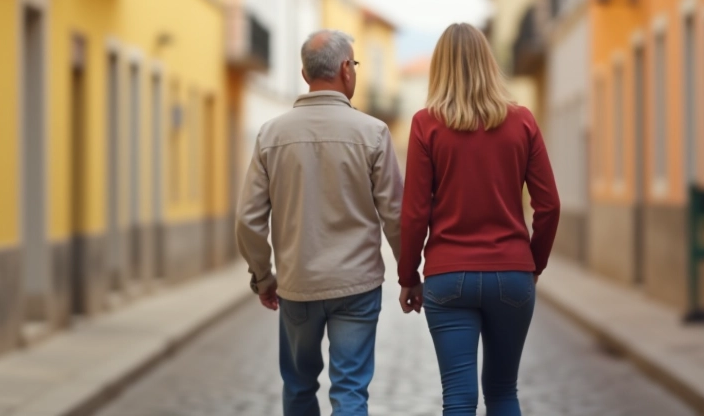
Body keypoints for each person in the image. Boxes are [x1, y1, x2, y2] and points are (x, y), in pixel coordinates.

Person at [236, 29, 403, 416]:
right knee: (350, 391)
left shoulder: (271, 135)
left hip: (298, 284)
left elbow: (248, 220)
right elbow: (395, 212)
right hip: (358, 284)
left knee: (298, 386)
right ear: (346, 69)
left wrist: (263, 276)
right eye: (356, 65)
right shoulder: (373, 133)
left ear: (304, 73)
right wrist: (409, 273)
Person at [398, 22, 561, 416]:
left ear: (440, 68)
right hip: (512, 274)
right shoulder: (522, 121)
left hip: (448, 276)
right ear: (489, 64)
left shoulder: (425, 124)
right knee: (504, 391)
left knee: (458, 396)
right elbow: (549, 205)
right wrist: (532, 264)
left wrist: (408, 277)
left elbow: (415, 213)